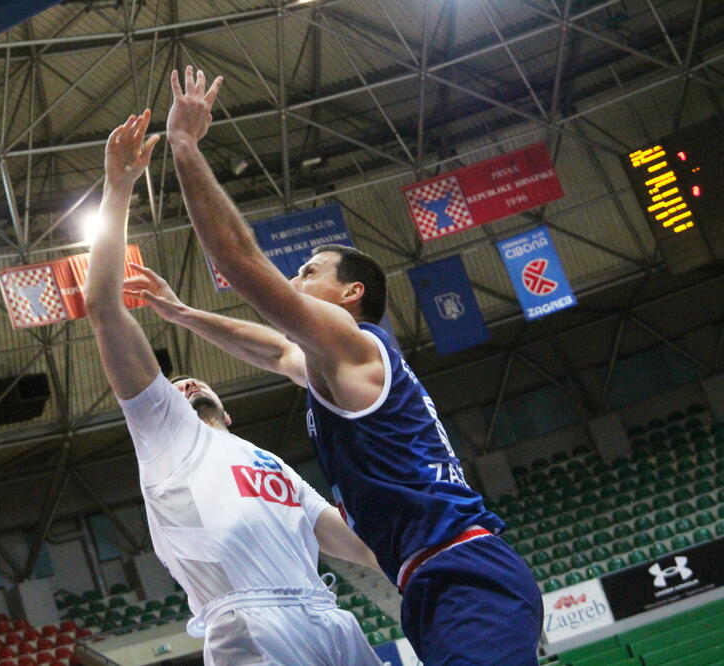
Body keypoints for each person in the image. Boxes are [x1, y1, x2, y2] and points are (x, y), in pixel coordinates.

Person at [124, 66, 544, 665]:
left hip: (463, 568)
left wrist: (185, 146)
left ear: (352, 295)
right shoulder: (338, 367)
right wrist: (183, 313)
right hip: (432, 576)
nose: (296, 280)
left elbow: (242, 264)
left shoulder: (354, 341)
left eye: (309, 273)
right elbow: (271, 349)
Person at [83, 109, 383, 666]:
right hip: (249, 621)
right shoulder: (165, 433)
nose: (185, 384)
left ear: (230, 410)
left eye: (192, 382)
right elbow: (102, 307)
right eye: (173, 387)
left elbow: (361, 546)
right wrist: (119, 186)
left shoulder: (269, 464)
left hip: (331, 618)